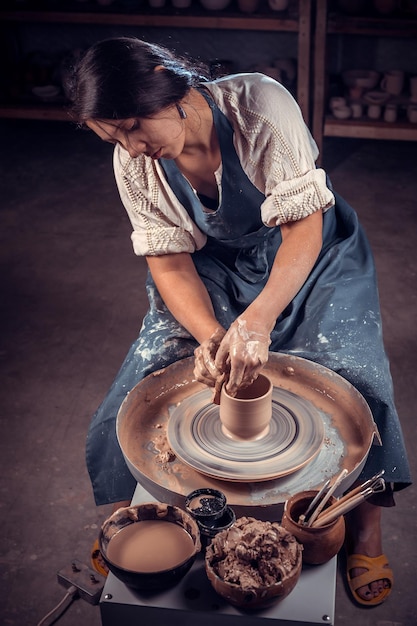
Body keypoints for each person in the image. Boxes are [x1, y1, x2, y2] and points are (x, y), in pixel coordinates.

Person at [64, 36, 411, 606]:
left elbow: (304, 228)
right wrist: (211, 335)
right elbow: (170, 263)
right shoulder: (134, 163)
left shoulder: (258, 107)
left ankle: (361, 529)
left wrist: (258, 321)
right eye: (113, 137)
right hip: (214, 262)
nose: (131, 146)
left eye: (132, 126)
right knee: (155, 371)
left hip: (311, 251)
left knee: (354, 376)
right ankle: (151, 520)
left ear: (165, 84)